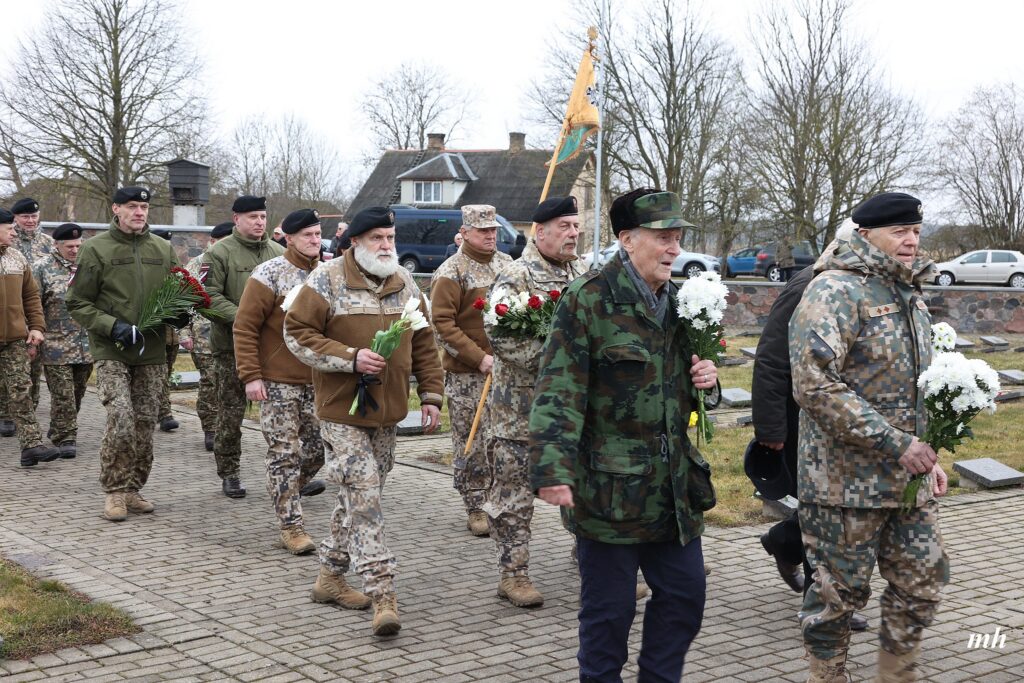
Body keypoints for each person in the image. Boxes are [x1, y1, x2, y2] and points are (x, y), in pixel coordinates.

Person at [530, 188, 719, 682]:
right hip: (609, 494)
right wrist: (552, 467)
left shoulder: (683, 304)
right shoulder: (588, 300)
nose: (675, 248)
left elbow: (689, 388)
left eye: (678, 238)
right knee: (609, 617)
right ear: (628, 239)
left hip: (673, 491)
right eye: (664, 237)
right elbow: (558, 391)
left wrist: (707, 381)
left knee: (685, 598)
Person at [789, 192, 949, 682]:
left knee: (923, 579)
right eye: (899, 231)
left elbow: (913, 387)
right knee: (837, 597)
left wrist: (929, 454)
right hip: (844, 483)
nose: (911, 240)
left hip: (907, 481)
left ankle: (895, 672)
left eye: (915, 230)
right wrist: (897, 443)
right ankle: (827, 675)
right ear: (865, 235)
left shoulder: (907, 291)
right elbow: (814, 384)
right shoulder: (834, 290)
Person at [284, 206, 444, 637]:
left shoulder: (405, 281)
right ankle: (382, 592)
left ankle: (329, 577)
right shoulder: (327, 279)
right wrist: (349, 358)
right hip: (341, 411)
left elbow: (424, 341)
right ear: (354, 242)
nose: (386, 245)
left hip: (387, 412)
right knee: (366, 493)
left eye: (390, 237)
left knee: (356, 498)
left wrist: (431, 394)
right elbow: (296, 333)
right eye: (376, 238)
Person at [751, 220, 868, 631]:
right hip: (803, 419)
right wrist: (771, 431)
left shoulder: (867, 284)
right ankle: (823, 602)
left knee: (846, 507)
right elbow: (771, 359)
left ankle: (785, 540)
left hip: (850, 420)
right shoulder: (808, 284)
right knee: (827, 512)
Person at [481, 196, 585, 607]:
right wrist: (561, 362)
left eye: (576, 226)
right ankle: (513, 575)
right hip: (519, 413)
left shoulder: (583, 272)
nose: (574, 233)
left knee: (584, 491)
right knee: (514, 499)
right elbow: (501, 336)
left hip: (574, 413)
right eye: (565, 226)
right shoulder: (516, 275)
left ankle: (595, 562)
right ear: (540, 232)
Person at [66, 186, 181, 520]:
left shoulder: (162, 248)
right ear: (116, 209)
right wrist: (111, 325)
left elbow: (177, 292)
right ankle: (114, 491)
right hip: (111, 348)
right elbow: (77, 301)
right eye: (131, 206)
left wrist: (180, 313)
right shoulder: (95, 249)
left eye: (144, 207)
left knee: (144, 422)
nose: (139, 212)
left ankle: (133, 488)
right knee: (121, 419)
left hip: (152, 349)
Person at [234, 208, 327, 555]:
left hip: (319, 379)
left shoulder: (328, 274)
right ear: (288, 238)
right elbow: (245, 327)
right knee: (284, 452)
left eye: (318, 234)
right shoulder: (268, 274)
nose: (315, 241)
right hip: (277, 380)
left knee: (319, 447)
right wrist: (251, 375)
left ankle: (285, 489)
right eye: (307, 235)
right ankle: (291, 525)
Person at [430, 204, 512, 536]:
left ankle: (498, 499)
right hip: (468, 375)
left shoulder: (508, 264)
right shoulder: (451, 271)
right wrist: (479, 358)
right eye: (483, 231)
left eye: (493, 230)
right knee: (472, 440)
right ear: (464, 232)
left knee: (501, 440)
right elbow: (442, 325)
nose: (490, 236)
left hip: (507, 370)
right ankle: (475, 505)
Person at [203, 195, 284, 498]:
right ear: (236, 219)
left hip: (274, 349)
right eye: (252, 217)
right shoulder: (219, 253)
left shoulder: (279, 253)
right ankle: (229, 472)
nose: (259, 222)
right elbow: (207, 297)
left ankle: (290, 474)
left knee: (282, 414)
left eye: (262, 216)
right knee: (231, 414)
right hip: (231, 349)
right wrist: (245, 319)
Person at [0, 208, 58, 467]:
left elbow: (31, 296)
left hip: (14, 339)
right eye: (9, 228)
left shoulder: (17, 257)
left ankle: (32, 446)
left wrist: (36, 327)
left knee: (22, 390)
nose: (15, 233)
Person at [32, 223, 93, 459]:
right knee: (63, 394)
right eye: (70, 246)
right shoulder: (42, 268)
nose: (75, 250)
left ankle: (60, 425)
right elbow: (33, 304)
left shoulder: (89, 267)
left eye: (78, 245)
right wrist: (34, 334)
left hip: (86, 344)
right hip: (55, 345)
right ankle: (65, 437)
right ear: (57, 245)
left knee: (77, 392)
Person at [180, 221, 233, 451]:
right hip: (204, 335)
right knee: (211, 382)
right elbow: (183, 301)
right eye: (223, 242)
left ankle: (228, 427)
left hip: (233, 335)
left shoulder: (237, 262)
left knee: (230, 385)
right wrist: (184, 331)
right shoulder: (197, 265)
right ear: (212, 242)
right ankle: (211, 428)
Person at [151, 229, 181, 433]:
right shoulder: (148, 270)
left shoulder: (175, 269)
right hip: (153, 333)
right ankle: (164, 413)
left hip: (172, 335)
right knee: (158, 374)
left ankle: (158, 410)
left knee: (165, 374)